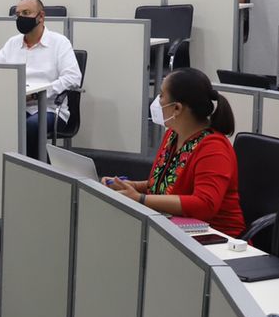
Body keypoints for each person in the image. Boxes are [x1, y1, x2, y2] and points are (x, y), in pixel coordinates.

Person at [102, 68, 245, 235]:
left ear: (177, 108)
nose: (157, 101)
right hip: (176, 228)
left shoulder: (214, 148)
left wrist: (141, 199)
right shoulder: (173, 134)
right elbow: (165, 185)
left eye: (161, 95)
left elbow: (204, 204)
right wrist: (131, 186)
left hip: (216, 238)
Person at [0, 0, 82, 158]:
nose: (21, 18)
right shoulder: (12, 43)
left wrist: (37, 94)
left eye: (26, 13)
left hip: (49, 108)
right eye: (18, 14)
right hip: (17, 107)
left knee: (31, 127)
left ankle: (37, 170)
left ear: (41, 16)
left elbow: (73, 77)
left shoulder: (59, 43)